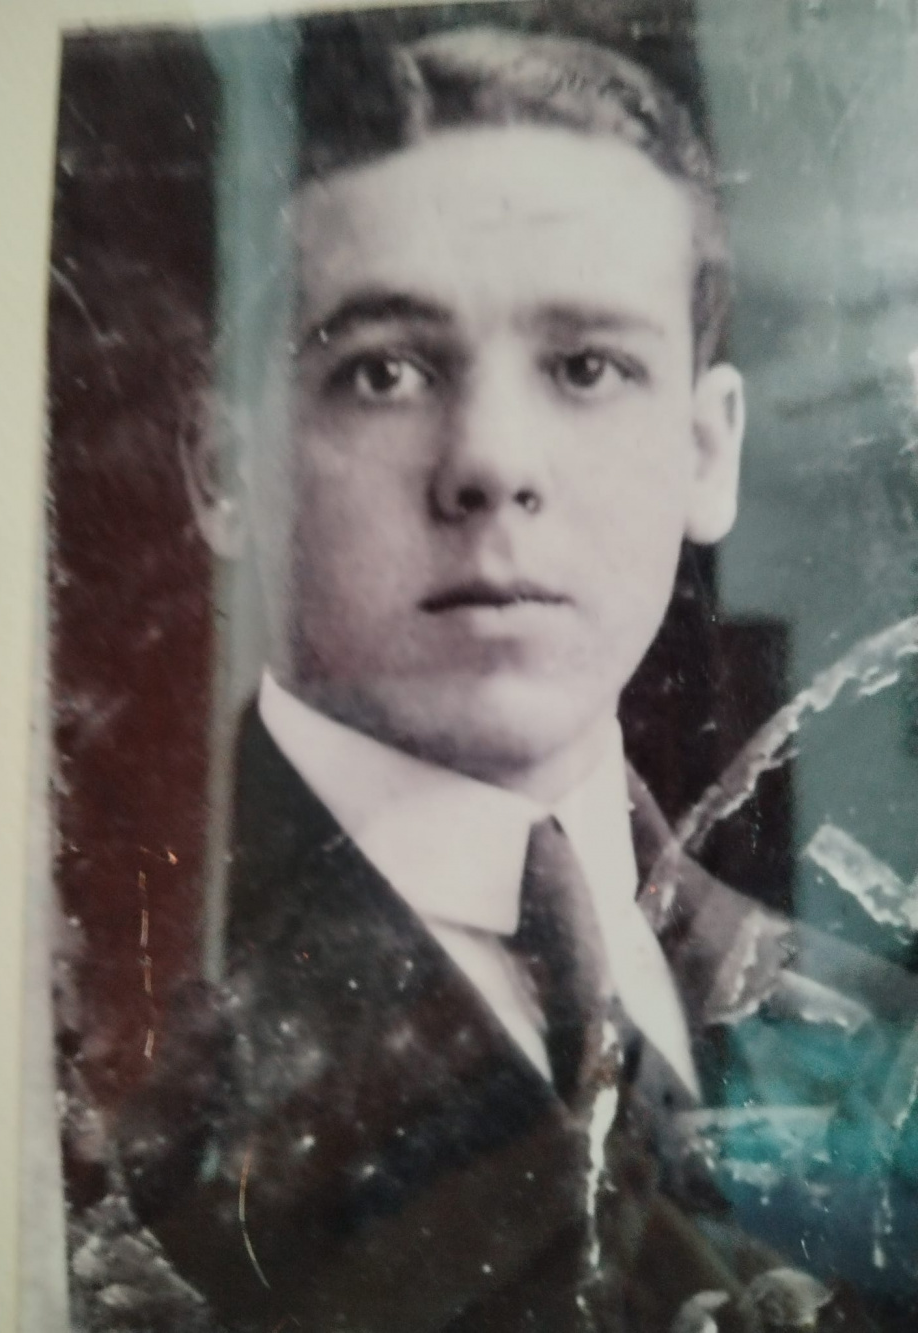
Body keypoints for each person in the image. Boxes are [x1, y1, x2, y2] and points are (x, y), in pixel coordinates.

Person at [114, 23, 905, 1333]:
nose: (490, 461)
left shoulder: (866, 1024)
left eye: (587, 366)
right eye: (383, 370)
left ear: (707, 452)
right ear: (225, 469)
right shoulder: (113, 1064)